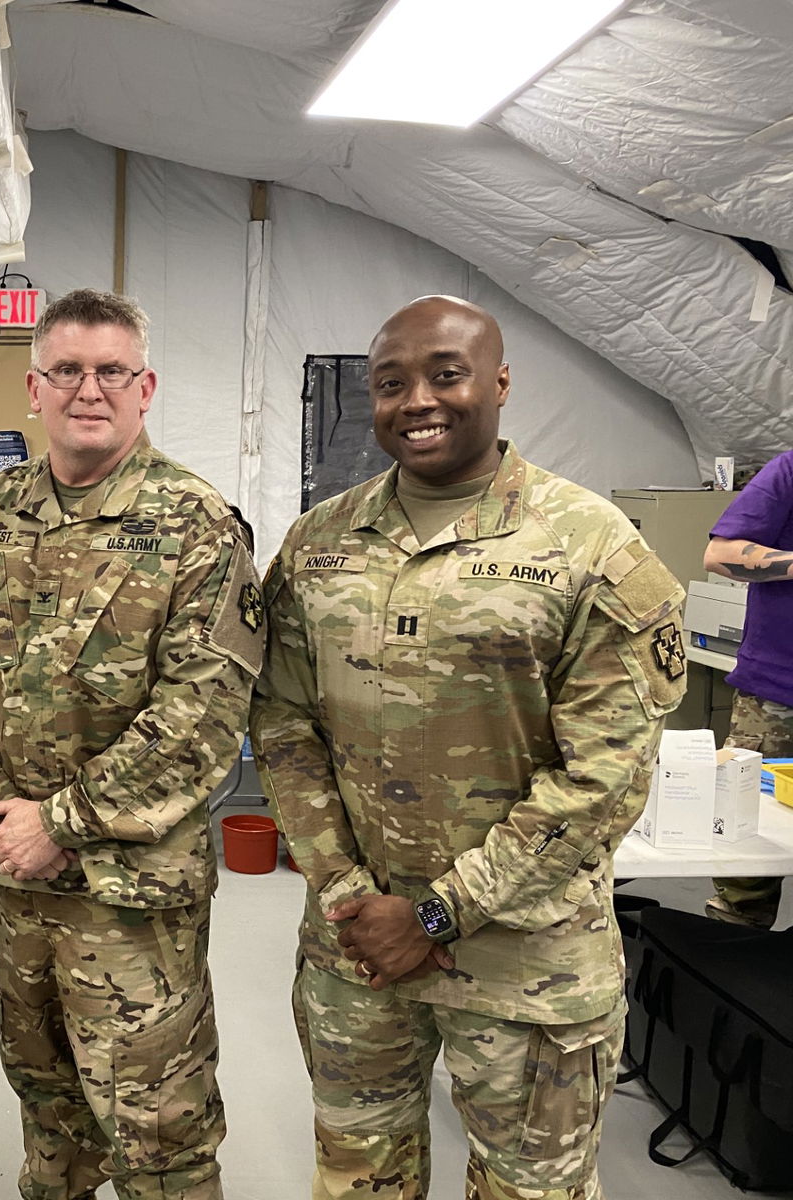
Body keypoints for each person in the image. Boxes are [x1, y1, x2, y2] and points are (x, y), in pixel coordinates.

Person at [253, 295, 686, 1199]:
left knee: (531, 1188)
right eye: (389, 383)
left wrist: (438, 916)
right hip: (356, 950)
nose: (417, 400)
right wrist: (343, 891)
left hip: (527, 963)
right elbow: (284, 723)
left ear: (498, 383)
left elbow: (604, 775)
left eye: (445, 374)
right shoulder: (318, 544)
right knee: (357, 1175)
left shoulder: (589, 543)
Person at [0, 288, 264, 1200]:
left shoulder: (197, 524)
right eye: (67, 370)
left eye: (111, 370)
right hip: (20, 878)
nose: (89, 389)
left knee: (159, 1135)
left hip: (131, 897)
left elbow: (203, 714)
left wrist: (59, 822)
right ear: (33, 388)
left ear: (145, 386)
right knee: (47, 1111)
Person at [704, 448, 793, 926]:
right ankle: (721, 987)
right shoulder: (790, 470)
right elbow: (719, 555)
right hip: (777, 697)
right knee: (746, 876)